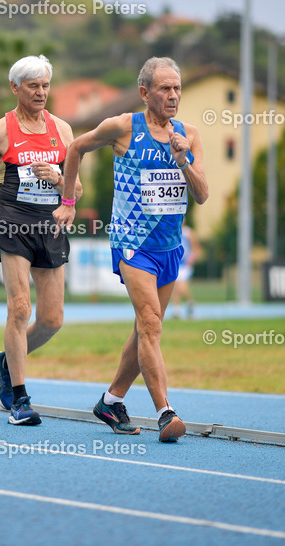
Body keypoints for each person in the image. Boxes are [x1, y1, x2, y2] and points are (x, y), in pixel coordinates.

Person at [53, 57, 209, 443]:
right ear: (145, 93)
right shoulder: (123, 127)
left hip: (170, 246)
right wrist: (69, 202)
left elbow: (202, 194)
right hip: (132, 242)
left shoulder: (188, 134)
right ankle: (165, 412)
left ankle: (111, 400)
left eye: (177, 88)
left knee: (145, 329)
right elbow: (75, 148)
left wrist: (183, 159)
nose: (173, 96)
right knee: (151, 324)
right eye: (164, 89)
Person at [0, 54, 80, 426]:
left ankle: (6, 362)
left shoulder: (63, 131)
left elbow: (78, 188)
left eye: (45, 85)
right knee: (19, 309)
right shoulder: (0, 131)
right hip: (15, 224)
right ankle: (20, 399)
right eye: (33, 86)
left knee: (52, 319)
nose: (41, 93)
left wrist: (58, 179)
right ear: (15, 88)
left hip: (50, 226)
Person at [170, 224, 201, 320]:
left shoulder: (188, 233)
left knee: (181, 286)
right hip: (176, 263)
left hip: (185, 264)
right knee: (175, 288)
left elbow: (196, 248)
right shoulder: (173, 231)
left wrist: (192, 258)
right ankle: (176, 311)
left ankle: (190, 303)